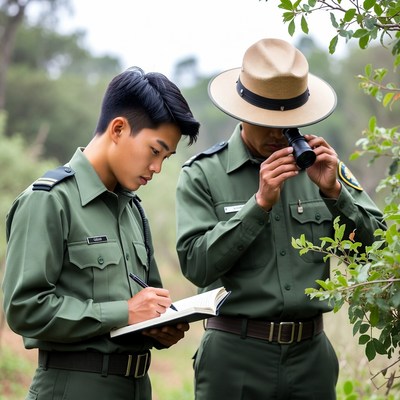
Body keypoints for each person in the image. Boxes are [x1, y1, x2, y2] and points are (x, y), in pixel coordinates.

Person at [175, 38, 385, 399]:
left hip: (310, 359)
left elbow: (379, 254)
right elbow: (196, 265)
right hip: (234, 356)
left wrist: (336, 194)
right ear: (242, 113)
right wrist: (258, 205)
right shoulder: (202, 175)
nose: (279, 134)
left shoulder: (321, 169)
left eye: (290, 122)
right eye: (268, 121)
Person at [2, 66, 200, 400]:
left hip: (137, 387)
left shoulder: (134, 210)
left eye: (166, 157)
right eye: (155, 151)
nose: (157, 168)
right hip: (72, 388)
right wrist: (123, 312)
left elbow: (143, 304)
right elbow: (24, 309)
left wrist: (159, 327)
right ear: (119, 129)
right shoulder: (49, 201)